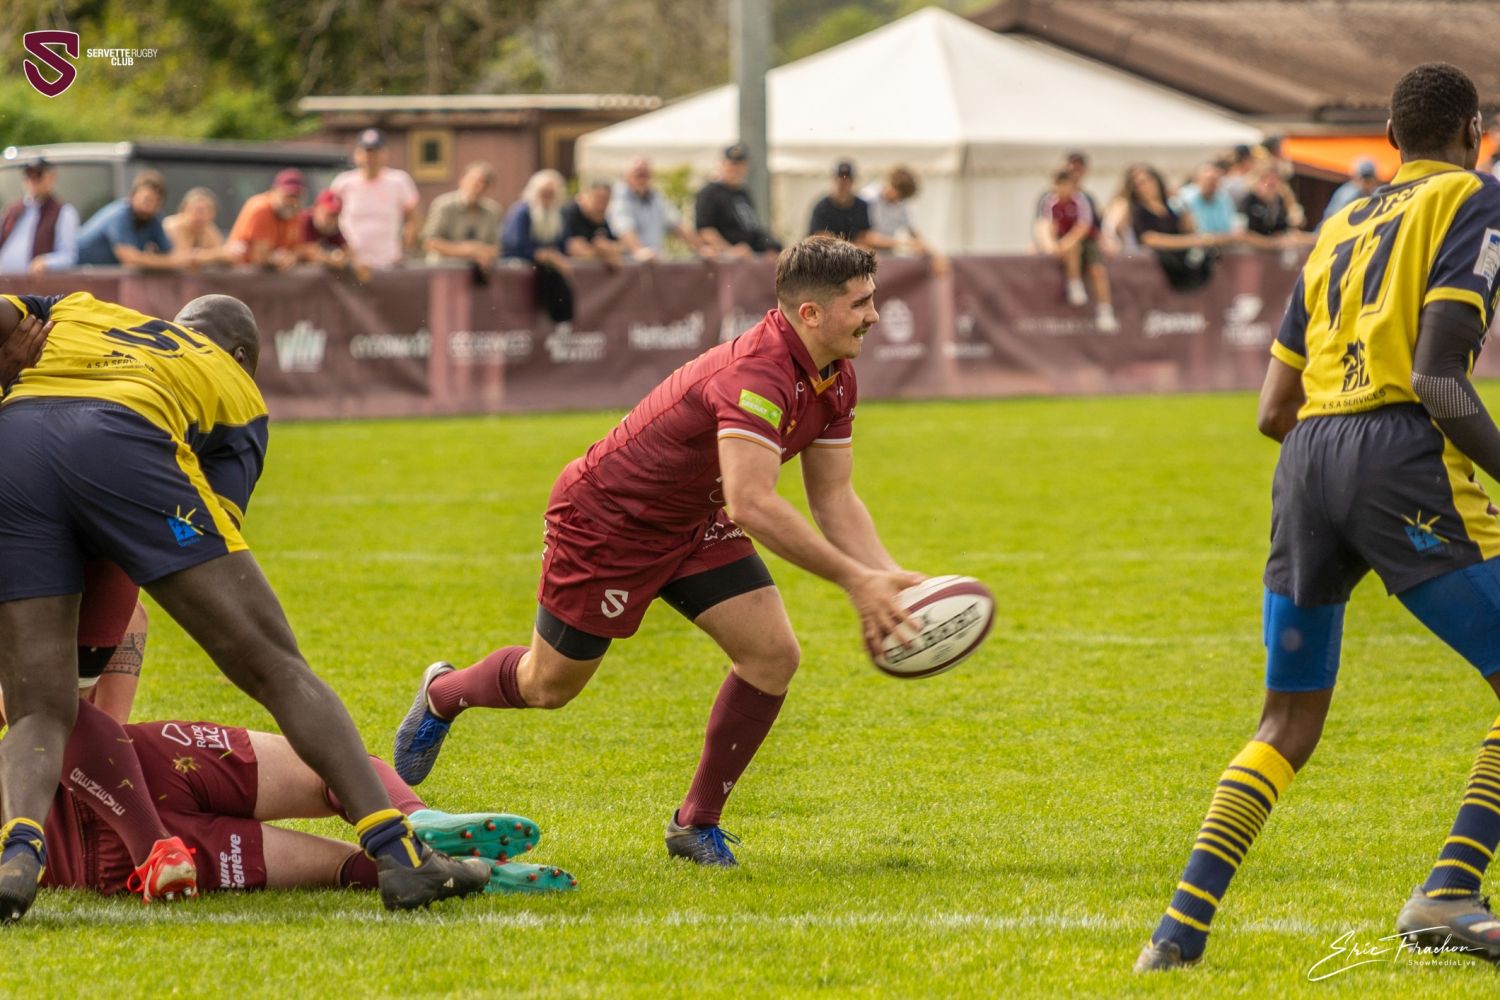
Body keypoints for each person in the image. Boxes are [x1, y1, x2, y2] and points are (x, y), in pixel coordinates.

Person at [392, 237, 922, 867]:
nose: (874, 315)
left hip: (693, 521)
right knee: (548, 686)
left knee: (772, 656)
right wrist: (855, 582)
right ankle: (446, 692)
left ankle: (695, 824)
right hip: (608, 522)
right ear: (810, 313)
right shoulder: (757, 374)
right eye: (860, 303)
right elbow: (752, 503)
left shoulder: (835, 372)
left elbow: (833, 497)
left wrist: (889, 578)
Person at [1137, 62, 1500, 972]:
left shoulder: (1340, 221)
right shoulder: (1473, 199)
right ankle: (1449, 891)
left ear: (1390, 139)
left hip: (1305, 462)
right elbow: (1438, 376)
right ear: (1473, 134)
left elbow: (1272, 408)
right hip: (1399, 455)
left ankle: (1175, 937)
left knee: (1285, 722)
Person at [0, 291, 490, 921]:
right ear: (241, 356)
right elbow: (202, 543)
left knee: (39, 704)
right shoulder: (233, 386)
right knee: (275, 665)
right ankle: (399, 852)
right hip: (123, 441)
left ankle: (18, 855)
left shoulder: (82, 309)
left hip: (13, 446)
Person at [3, 699, 576, 898]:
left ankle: (475, 875)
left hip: (94, 861)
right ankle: (416, 821)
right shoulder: (86, 560)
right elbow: (78, 710)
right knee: (339, 771)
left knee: (340, 870)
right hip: (143, 759)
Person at [1111, 164, 1219, 291]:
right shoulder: (1136, 210)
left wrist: (1182, 204)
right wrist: (1190, 241)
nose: (1146, 186)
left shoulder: (1171, 206)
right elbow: (1149, 239)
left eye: (1149, 180)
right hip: (1154, 270)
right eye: (1139, 184)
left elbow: (1188, 228)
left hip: (1181, 265)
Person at [1035, 169, 1118, 333]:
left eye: (1066, 185)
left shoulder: (1081, 200)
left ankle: (1105, 310)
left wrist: (1065, 244)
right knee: (1073, 251)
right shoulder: (1049, 202)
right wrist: (1053, 245)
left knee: (1098, 271)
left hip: (1086, 240)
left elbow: (1083, 226)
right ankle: (1074, 282)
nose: (1062, 189)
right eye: (1059, 185)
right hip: (1065, 241)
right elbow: (1047, 225)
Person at [329, 129, 420, 269]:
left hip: (389, 261)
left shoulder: (399, 181)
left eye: (375, 152)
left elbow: (412, 219)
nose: (370, 157)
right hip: (351, 263)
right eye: (366, 151)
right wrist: (338, 249)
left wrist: (406, 249)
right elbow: (329, 216)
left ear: (385, 154)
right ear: (357, 154)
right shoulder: (343, 182)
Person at [502, 169, 573, 324]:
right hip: (520, 266)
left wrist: (553, 256)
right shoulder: (521, 212)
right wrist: (542, 254)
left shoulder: (558, 214)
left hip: (548, 267)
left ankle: (562, 320)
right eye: (544, 192)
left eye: (551, 193)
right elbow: (515, 243)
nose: (547, 196)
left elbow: (562, 243)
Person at [608, 157, 711, 262]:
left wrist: (701, 248)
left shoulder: (655, 196)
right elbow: (624, 227)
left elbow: (677, 224)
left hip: (652, 262)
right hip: (626, 265)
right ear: (627, 175)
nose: (642, 179)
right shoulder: (619, 195)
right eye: (638, 174)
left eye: (645, 175)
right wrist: (638, 250)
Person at [75, 170, 179, 270]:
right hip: (75, 270)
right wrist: (170, 263)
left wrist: (160, 260)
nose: (150, 207)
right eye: (147, 200)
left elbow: (172, 254)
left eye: (156, 202)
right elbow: (130, 260)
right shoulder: (119, 216)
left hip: (101, 275)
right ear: (132, 196)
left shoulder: (153, 219)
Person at [694, 144, 781, 257]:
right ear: (722, 164)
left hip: (749, 257)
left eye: (740, 165)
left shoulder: (743, 193)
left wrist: (771, 246)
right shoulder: (709, 193)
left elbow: (752, 227)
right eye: (732, 164)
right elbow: (705, 231)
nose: (736, 170)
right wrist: (730, 251)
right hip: (724, 260)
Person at [0, 157, 79, 274]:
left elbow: (68, 256)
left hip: (33, 284)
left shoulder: (64, 212)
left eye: (38, 175)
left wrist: (46, 262)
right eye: (28, 175)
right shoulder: (13, 209)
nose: (32, 180)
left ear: (51, 178)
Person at [421, 163, 502, 270]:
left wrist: (484, 253)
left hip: (478, 271)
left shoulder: (492, 210)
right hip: (444, 268)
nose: (479, 187)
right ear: (462, 181)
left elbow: (497, 247)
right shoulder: (444, 205)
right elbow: (429, 242)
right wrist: (467, 251)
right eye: (475, 182)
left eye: (484, 184)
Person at [226, 170, 308, 270]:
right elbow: (259, 257)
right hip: (242, 273)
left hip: (270, 275)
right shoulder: (261, 209)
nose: (292, 202)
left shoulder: (295, 213)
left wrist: (292, 257)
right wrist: (279, 259)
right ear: (274, 191)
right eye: (288, 196)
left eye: (297, 197)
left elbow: (300, 249)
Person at [162, 188, 234, 268]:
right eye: (199, 210)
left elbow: (227, 255)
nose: (203, 216)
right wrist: (213, 255)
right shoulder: (173, 226)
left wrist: (201, 256)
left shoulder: (207, 228)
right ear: (183, 210)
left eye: (209, 211)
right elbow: (183, 259)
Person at [562, 182, 624, 269]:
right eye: (598, 198)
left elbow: (619, 246)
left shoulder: (603, 218)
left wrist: (607, 248)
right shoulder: (569, 214)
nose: (601, 205)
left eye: (606, 200)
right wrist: (601, 254)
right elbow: (572, 247)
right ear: (583, 196)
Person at [807, 161, 872, 244]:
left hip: (855, 249)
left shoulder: (862, 206)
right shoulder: (821, 207)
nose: (842, 184)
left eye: (846, 180)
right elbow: (820, 236)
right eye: (839, 180)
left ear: (852, 182)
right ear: (832, 181)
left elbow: (864, 235)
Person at [1173, 162, 1240, 240]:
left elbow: (1229, 226)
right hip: (1193, 243)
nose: (1212, 183)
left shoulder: (1224, 198)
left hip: (1221, 242)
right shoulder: (1184, 197)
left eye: (1216, 179)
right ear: (1197, 180)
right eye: (1208, 179)